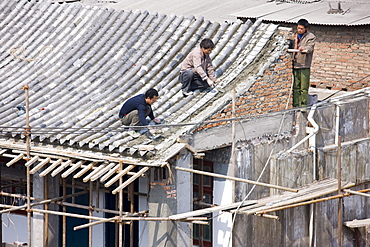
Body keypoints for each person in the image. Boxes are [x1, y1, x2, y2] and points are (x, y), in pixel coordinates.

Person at [291, 18, 316, 108]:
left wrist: (303, 49)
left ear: (306, 29)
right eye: (298, 28)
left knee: (303, 87)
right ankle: (295, 104)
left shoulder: (310, 37)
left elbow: (310, 47)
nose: (299, 30)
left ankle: (303, 105)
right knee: (295, 87)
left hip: (304, 64)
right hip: (295, 64)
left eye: (301, 28)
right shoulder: (294, 35)